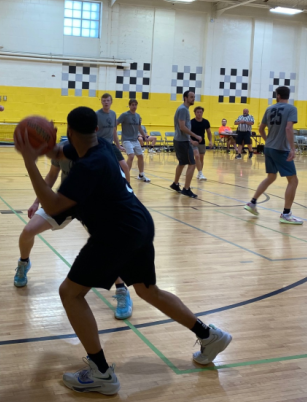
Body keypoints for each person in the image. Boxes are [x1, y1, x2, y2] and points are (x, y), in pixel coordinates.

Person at [15, 107, 232, 395]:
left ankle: (101, 373)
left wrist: (30, 161)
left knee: (70, 292)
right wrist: (44, 147)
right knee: (147, 290)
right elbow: (61, 152)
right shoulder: (100, 145)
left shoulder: (88, 167)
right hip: (138, 224)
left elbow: (53, 206)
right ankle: (209, 335)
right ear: (95, 129)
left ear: (69, 131)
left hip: (115, 235)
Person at [15, 141, 134, 320]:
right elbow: (51, 176)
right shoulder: (62, 149)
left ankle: (122, 290)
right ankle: (23, 263)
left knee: (107, 247)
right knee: (28, 231)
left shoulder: (105, 148)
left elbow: (124, 170)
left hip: (95, 205)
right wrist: (36, 201)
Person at [244, 86, 303, 225]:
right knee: (293, 181)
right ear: (288, 95)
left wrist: (268, 141)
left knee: (271, 177)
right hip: (281, 149)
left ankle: (252, 203)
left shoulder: (269, 109)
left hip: (269, 148)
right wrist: (292, 149)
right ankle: (286, 214)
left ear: (277, 95)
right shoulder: (291, 109)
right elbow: (288, 128)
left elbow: (260, 129)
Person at [95, 94, 132, 185]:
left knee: (125, 166)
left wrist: (118, 145)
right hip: (100, 145)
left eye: (108, 100)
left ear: (111, 102)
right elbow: (93, 131)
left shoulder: (113, 114)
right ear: (101, 102)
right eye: (104, 101)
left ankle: (128, 187)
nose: (106, 102)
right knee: (102, 168)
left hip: (110, 145)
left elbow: (114, 130)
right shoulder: (96, 114)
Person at [171, 91, 202, 198]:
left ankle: (175, 184)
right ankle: (186, 189)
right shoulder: (183, 109)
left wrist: (190, 139)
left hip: (182, 140)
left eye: (194, 97)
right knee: (192, 164)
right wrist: (196, 136)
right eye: (191, 97)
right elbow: (182, 127)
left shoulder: (184, 109)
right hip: (182, 142)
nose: (193, 98)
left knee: (182, 163)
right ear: (185, 98)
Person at [117, 99, 150, 183]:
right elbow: (116, 123)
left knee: (140, 156)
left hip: (135, 140)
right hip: (126, 140)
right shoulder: (124, 115)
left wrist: (144, 137)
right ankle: (125, 175)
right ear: (129, 105)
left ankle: (141, 174)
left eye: (135, 105)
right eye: (132, 105)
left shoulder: (138, 116)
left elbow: (139, 127)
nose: (134, 106)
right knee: (131, 156)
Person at [190, 106, 212, 181]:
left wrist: (210, 141)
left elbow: (209, 133)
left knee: (201, 158)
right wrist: (191, 141)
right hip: (193, 143)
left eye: (200, 112)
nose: (199, 114)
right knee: (196, 156)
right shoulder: (191, 122)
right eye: (198, 112)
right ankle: (200, 173)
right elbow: (187, 133)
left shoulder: (206, 122)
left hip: (202, 143)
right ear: (195, 113)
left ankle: (200, 173)